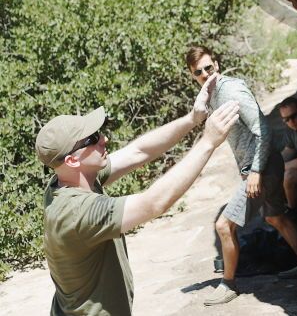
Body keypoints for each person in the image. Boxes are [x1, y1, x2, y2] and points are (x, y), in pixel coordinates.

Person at [37, 75, 240, 316]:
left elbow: (138, 151)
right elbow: (153, 204)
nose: (104, 139)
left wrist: (192, 119)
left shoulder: (67, 180)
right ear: (71, 160)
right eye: (92, 139)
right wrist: (208, 142)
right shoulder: (77, 211)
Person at [185, 46, 297, 305]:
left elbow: (263, 129)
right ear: (193, 75)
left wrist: (255, 171)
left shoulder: (231, 90)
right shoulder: (211, 94)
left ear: (217, 64)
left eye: (208, 68)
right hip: (265, 164)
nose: (205, 74)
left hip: (262, 167)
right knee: (275, 216)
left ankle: (228, 284)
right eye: (198, 72)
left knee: (224, 226)